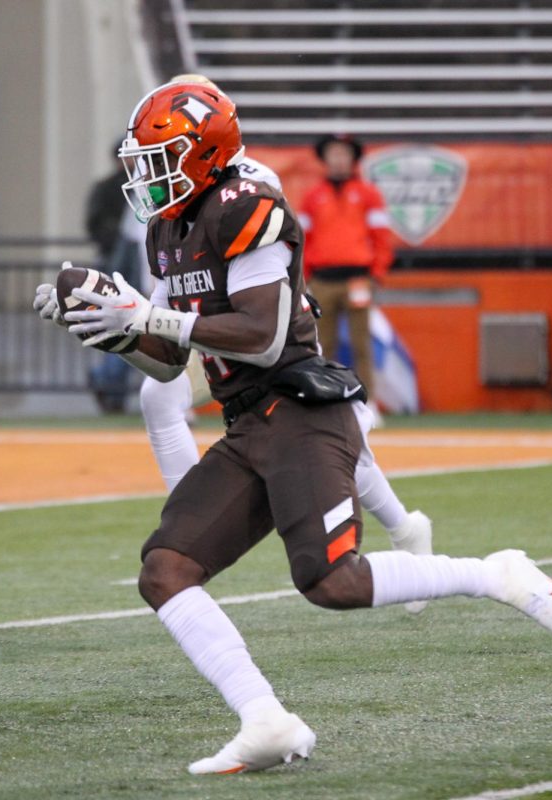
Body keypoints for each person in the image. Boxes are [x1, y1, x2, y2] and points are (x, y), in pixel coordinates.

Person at [33, 80, 552, 775]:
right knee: (165, 571)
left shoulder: (246, 205)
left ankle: (495, 573)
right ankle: (266, 719)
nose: (147, 174)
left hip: (300, 412)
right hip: (246, 425)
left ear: (203, 154)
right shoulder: (167, 225)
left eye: (161, 156)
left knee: (331, 582)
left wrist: (145, 315)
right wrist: (107, 331)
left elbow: (260, 336)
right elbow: (170, 364)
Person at [136, 76, 434, 610]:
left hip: (262, 318)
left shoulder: (247, 189)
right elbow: (172, 292)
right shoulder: (174, 213)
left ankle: (402, 523)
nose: (152, 173)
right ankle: (191, 505)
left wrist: (156, 318)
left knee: (321, 420)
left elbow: (264, 282)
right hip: (219, 320)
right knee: (157, 394)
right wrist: (118, 321)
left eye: (165, 154)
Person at [299, 134, 394, 425]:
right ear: (325, 159)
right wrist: (304, 280)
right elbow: (303, 240)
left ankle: (369, 404)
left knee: (361, 343)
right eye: (333, 154)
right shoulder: (312, 197)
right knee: (321, 345)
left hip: (357, 279)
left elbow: (381, 237)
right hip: (323, 281)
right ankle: (325, 401)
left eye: (343, 154)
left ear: (353, 159)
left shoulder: (368, 194)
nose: (339, 159)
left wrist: (377, 273)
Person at [85, 145, 143, 413]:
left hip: (126, 267)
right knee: (130, 328)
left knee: (129, 329)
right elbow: (123, 238)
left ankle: (108, 382)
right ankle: (108, 381)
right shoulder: (116, 187)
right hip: (126, 270)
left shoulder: (136, 184)